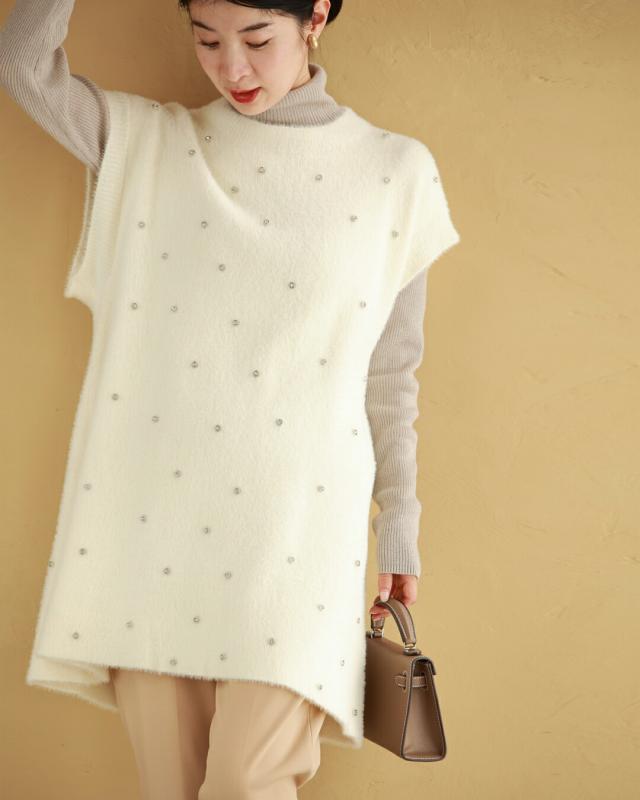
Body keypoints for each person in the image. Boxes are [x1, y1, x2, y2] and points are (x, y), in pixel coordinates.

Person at [0, 0, 461, 797]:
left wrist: (399, 525)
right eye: (207, 40)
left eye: (256, 39)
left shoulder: (395, 171)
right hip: (153, 527)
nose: (232, 68)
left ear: (315, 17)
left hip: (301, 532)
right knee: (172, 787)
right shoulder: (155, 145)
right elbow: (21, 65)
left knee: (248, 783)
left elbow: (391, 371)